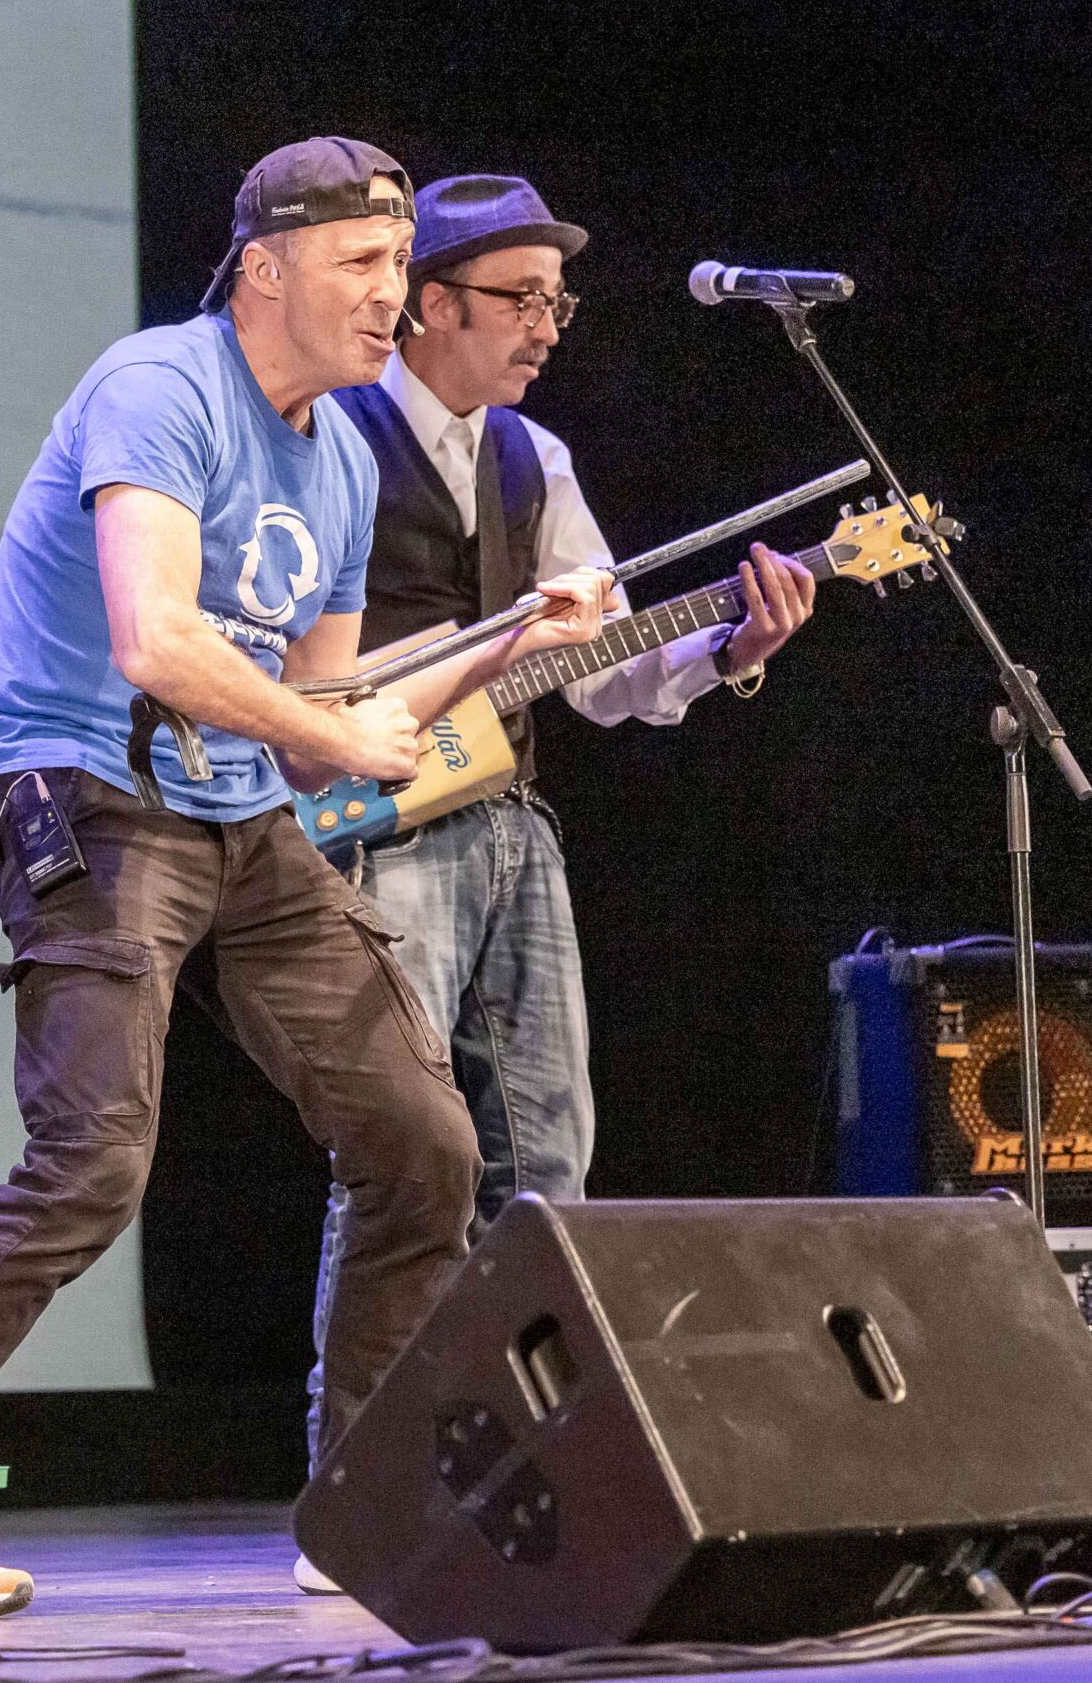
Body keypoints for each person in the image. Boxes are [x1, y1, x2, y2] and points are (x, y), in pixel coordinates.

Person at [0, 137, 610, 1622]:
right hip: (80, 785)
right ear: (264, 268)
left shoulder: (341, 457)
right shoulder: (162, 389)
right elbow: (158, 642)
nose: (387, 300)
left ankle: (356, 1506)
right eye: (360, 268)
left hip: (232, 812)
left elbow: (334, 734)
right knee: (90, 1160)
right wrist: (331, 729)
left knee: (426, 1143)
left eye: (398, 272)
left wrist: (513, 643)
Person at [290, 175, 815, 1592]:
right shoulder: (326, 433)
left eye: (558, 304)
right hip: (374, 829)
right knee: (405, 1159)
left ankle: (518, 1474)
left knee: (547, 1157)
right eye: (522, 301)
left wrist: (730, 643)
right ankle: (354, 1492)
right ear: (432, 305)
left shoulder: (536, 461)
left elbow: (607, 672)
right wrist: (471, 648)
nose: (548, 329)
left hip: (515, 825)